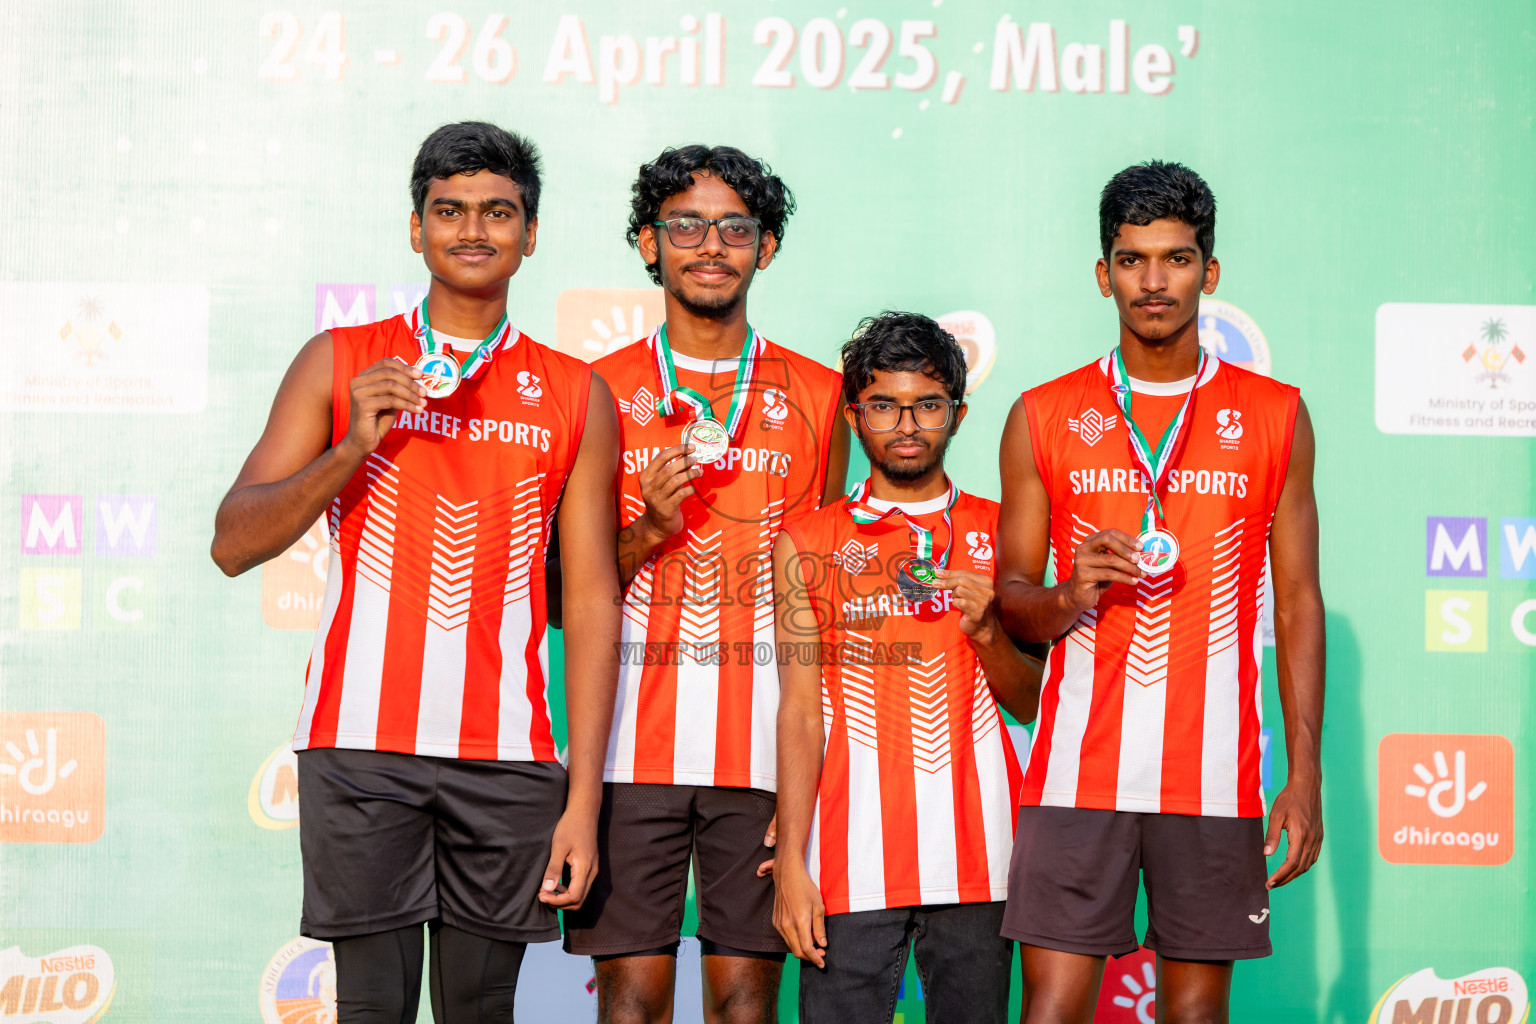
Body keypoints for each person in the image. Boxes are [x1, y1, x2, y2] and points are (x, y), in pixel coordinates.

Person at [211, 121, 621, 1022]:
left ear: (531, 234)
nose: (473, 229)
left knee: (481, 1012)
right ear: (415, 228)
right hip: (359, 751)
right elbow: (234, 543)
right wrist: (350, 447)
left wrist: (583, 798)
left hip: (509, 762)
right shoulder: (340, 359)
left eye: (497, 212)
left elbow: (593, 602)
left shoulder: (575, 392)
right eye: (449, 210)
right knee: (373, 1010)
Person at [995, 160, 1324, 1023]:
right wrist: (1072, 593)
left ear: (1208, 272)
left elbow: (1298, 602)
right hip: (1075, 779)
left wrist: (1305, 774)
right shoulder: (1042, 414)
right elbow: (1012, 601)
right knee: (1050, 1013)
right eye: (1132, 260)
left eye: (1176, 259)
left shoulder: (1276, 414)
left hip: (1214, 782)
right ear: (1103, 273)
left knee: (1196, 1018)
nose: (1153, 281)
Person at [562, 145, 850, 1024]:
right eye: (685, 225)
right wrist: (648, 529)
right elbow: (564, 593)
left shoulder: (823, 396)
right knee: (630, 1007)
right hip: (626, 754)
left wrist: (812, 775)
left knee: (744, 1007)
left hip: (762, 756)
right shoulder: (597, 391)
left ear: (766, 247)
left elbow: (826, 600)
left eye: (735, 227)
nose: (711, 244)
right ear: (649, 244)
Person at [772, 312, 1043, 1024]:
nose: (907, 425)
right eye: (884, 406)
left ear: (958, 413)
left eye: (927, 404)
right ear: (854, 415)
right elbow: (799, 710)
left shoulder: (1004, 528)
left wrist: (988, 632)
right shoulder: (806, 541)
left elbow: (1030, 702)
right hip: (847, 862)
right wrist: (792, 860)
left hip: (982, 860)